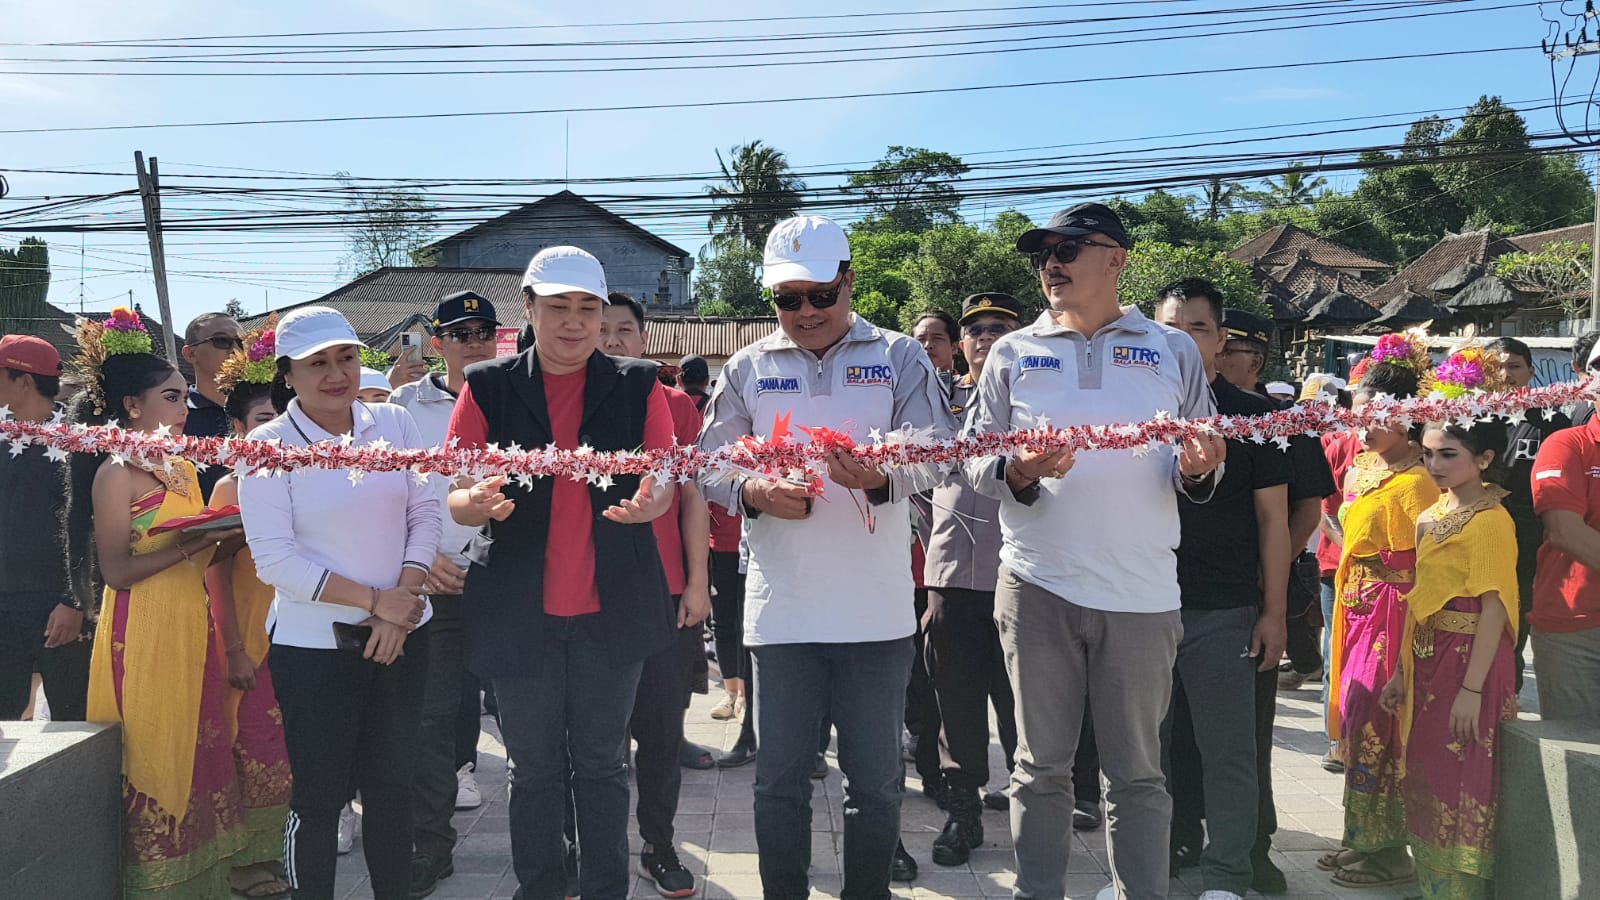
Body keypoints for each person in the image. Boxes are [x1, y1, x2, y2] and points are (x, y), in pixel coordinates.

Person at [962, 202, 1226, 900]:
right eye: (1044, 252)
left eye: (1070, 248)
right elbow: (973, 460)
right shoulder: (1013, 352)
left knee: (1137, 776)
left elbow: (1200, 460)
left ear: (1117, 259)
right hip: (1037, 584)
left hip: (1141, 595)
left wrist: (1200, 467)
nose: (1052, 263)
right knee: (1038, 769)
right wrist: (1019, 470)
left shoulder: (1171, 350)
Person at [696, 214, 952, 900]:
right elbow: (706, 464)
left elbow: (940, 450)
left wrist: (879, 477)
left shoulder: (899, 355)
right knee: (780, 782)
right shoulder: (749, 365)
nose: (804, 313)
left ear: (849, 281)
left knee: (874, 784)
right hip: (783, 615)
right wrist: (753, 489)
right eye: (787, 299)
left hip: (876, 616)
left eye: (819, 296)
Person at [447, 246, 678, 900]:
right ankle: (540, 888)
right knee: (534, 770)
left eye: (587, 308)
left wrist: (651, 502)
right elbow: (458, 493)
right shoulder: (488, 384)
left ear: (602, 313)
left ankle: (607, 890)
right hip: (521, 612)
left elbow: (664, 472)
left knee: (604, 769)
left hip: (613, 609)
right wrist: (476, 503)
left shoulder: (637, 382)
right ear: (530, 308)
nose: (574, 323)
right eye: (558, 308)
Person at [237, 305, 440, 900]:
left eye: (346, 358)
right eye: (317, 363)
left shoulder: (395, 423)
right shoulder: (268, 446)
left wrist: (402, 602)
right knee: (320, 798)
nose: (336, 374)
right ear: (288, 375)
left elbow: (423, 511)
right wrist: (379, 601)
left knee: (392, 791)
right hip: (315, 650)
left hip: (404, 636)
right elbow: (276, 561)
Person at [67, 308, 250, 897]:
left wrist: (224, 537)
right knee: (153, 752)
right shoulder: (115, 475)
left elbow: (196, 550)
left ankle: (200, 880)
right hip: (140, 628)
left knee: (197, 746)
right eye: (172, 396)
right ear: (132, 407)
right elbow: (117, 572)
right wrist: (190, 547)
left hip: (189, 623)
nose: (184, 407)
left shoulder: (180, 466)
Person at [1154, 284, 1290, 900]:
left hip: (1223, 610)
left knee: (1229, 754)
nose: (1182, 341)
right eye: (1169, 329)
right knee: (1140, 756)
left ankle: (1229, 875)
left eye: (1198, 329)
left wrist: (1275, 613)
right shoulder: (1133, 417)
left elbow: (1275, 523)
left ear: (1221, 339)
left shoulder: (1253, 417)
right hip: (1138, 605)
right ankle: (1145, 864)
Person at [1217, 309, 1336, 895]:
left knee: (1250, 730)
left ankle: (1254, 844)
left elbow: (1306, 511)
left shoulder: (1287, 423)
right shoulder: (1173, 414)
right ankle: (1185, 831)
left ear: (1254, 360)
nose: (1212, 356)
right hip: (1179, 595)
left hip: (1254, 597)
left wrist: (1267, 578)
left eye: (1225, 346)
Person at [599, 291, 713, 898]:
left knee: (662, 732)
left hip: (666, 594)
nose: (612, 340)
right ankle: (594, 847)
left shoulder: (675, 405)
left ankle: (659, 843)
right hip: (589, 598)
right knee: (595, 739)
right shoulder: (571, 405)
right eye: (603, 329)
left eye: (624, 329)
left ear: (644, 339)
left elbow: (691, 496)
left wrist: (697, 582)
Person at [387, 290, 501, 897]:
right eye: (462, 332)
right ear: (440, 343)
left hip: (510, 580)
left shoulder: (518, 396)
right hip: (438, 578)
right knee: (430, 718)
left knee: (532, 719)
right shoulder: (403, 406)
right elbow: (387, 493)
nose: (476, 340)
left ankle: (556, 844)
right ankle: (431, 846)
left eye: (485, 330)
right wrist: (421, 558)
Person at [1380, 414, 1519, 899]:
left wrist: (1472, 691)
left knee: (1464, 774)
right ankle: (1433, 885)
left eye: (1448, 454)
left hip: (1470, 663)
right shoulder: (1429, 516)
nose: (1434, 464)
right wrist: (1401, 671)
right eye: (1428, 453)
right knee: (1426, 771)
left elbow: (1495, 608)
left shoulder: (1491, 521)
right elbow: (1419, 598)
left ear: (1483, 460)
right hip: (1429, 658)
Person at [1319, 340, 1439, 890]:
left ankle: (1390, 851)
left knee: (1379, 721)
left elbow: (1427, 562)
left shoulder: (1420, 482)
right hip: (1354, 604)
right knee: (1351, 716)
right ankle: (1359, 837)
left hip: (1394, 612)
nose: (1362, 427)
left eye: (1375, 416)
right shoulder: (1365, 465)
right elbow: (1337, 524)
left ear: (1406, 416)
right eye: (1358, 415)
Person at [922, 292, 1025, 867]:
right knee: (956, 705)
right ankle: (963, 815)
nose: (985, 336)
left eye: (999, 327)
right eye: (975, 329)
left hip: (1024, 576)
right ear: (960, 344)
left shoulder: (1035, 402)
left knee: (1025, 709)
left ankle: (1032, 815)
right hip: (953, 578)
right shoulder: (939, 405)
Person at [207, 322, 295, 899]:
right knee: (252, 746)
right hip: (247, 639)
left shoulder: (309, 476)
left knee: (290, 749)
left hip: (297, 634)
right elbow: (215, 571)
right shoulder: (231, 489)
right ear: (238, 429)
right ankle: (248, 861)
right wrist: (234, 648)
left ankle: (282, 850)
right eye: (262, 420)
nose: (273, 431)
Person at [0, 335, 90, 724]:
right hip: (3, 604)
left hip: (57, 606)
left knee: (72, 722)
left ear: (23, 381)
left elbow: (88, 523)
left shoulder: (78, 441)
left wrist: (74, 601)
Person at [1485, 337, 1569, 694]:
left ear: (1531, 372)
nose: (1506, 374)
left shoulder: (1552, 421)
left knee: (1514, 611)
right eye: (1497, 367)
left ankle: (1508, 692)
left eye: (1514, 366)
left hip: (1526, 532)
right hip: (1476, 528)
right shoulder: (1468, 417)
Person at [1529, 338, 1600, 722]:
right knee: (1581, 755)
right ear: (1587, 377)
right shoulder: (1566, 444)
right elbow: (1565, 531)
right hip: (1577, 628)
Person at [181, 311, 245, 498]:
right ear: (190, 353)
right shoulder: (176, 414)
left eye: (241, 342)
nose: (235, 349)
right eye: (221, 341)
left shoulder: (268, 408)